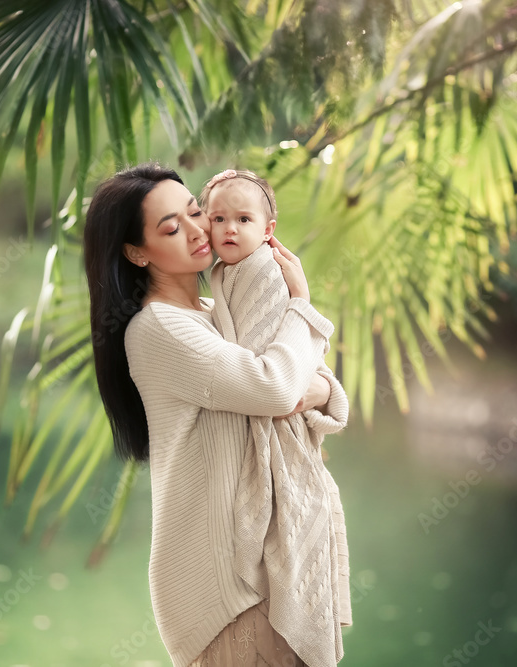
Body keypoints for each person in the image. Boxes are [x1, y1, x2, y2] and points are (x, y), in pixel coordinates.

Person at [83, 163, 350, 666]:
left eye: (195, 212)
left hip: (263, 564)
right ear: (137, 252)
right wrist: (301, 303)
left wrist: (313, 388)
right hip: (226, 584)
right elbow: (276, 386)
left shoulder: (217, 312)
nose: (197, 230)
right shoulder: (160, 328)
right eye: (171, 228)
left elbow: (303, 380)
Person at [200, 168, 351, 667]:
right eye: (218, 218)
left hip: (278, 422)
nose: (230, 228)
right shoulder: (220, 279)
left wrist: (315, 385)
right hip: (262, 408)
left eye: (243, 219)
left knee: (286, 527)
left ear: (268, 230)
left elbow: (277, 372)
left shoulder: (265, 272)